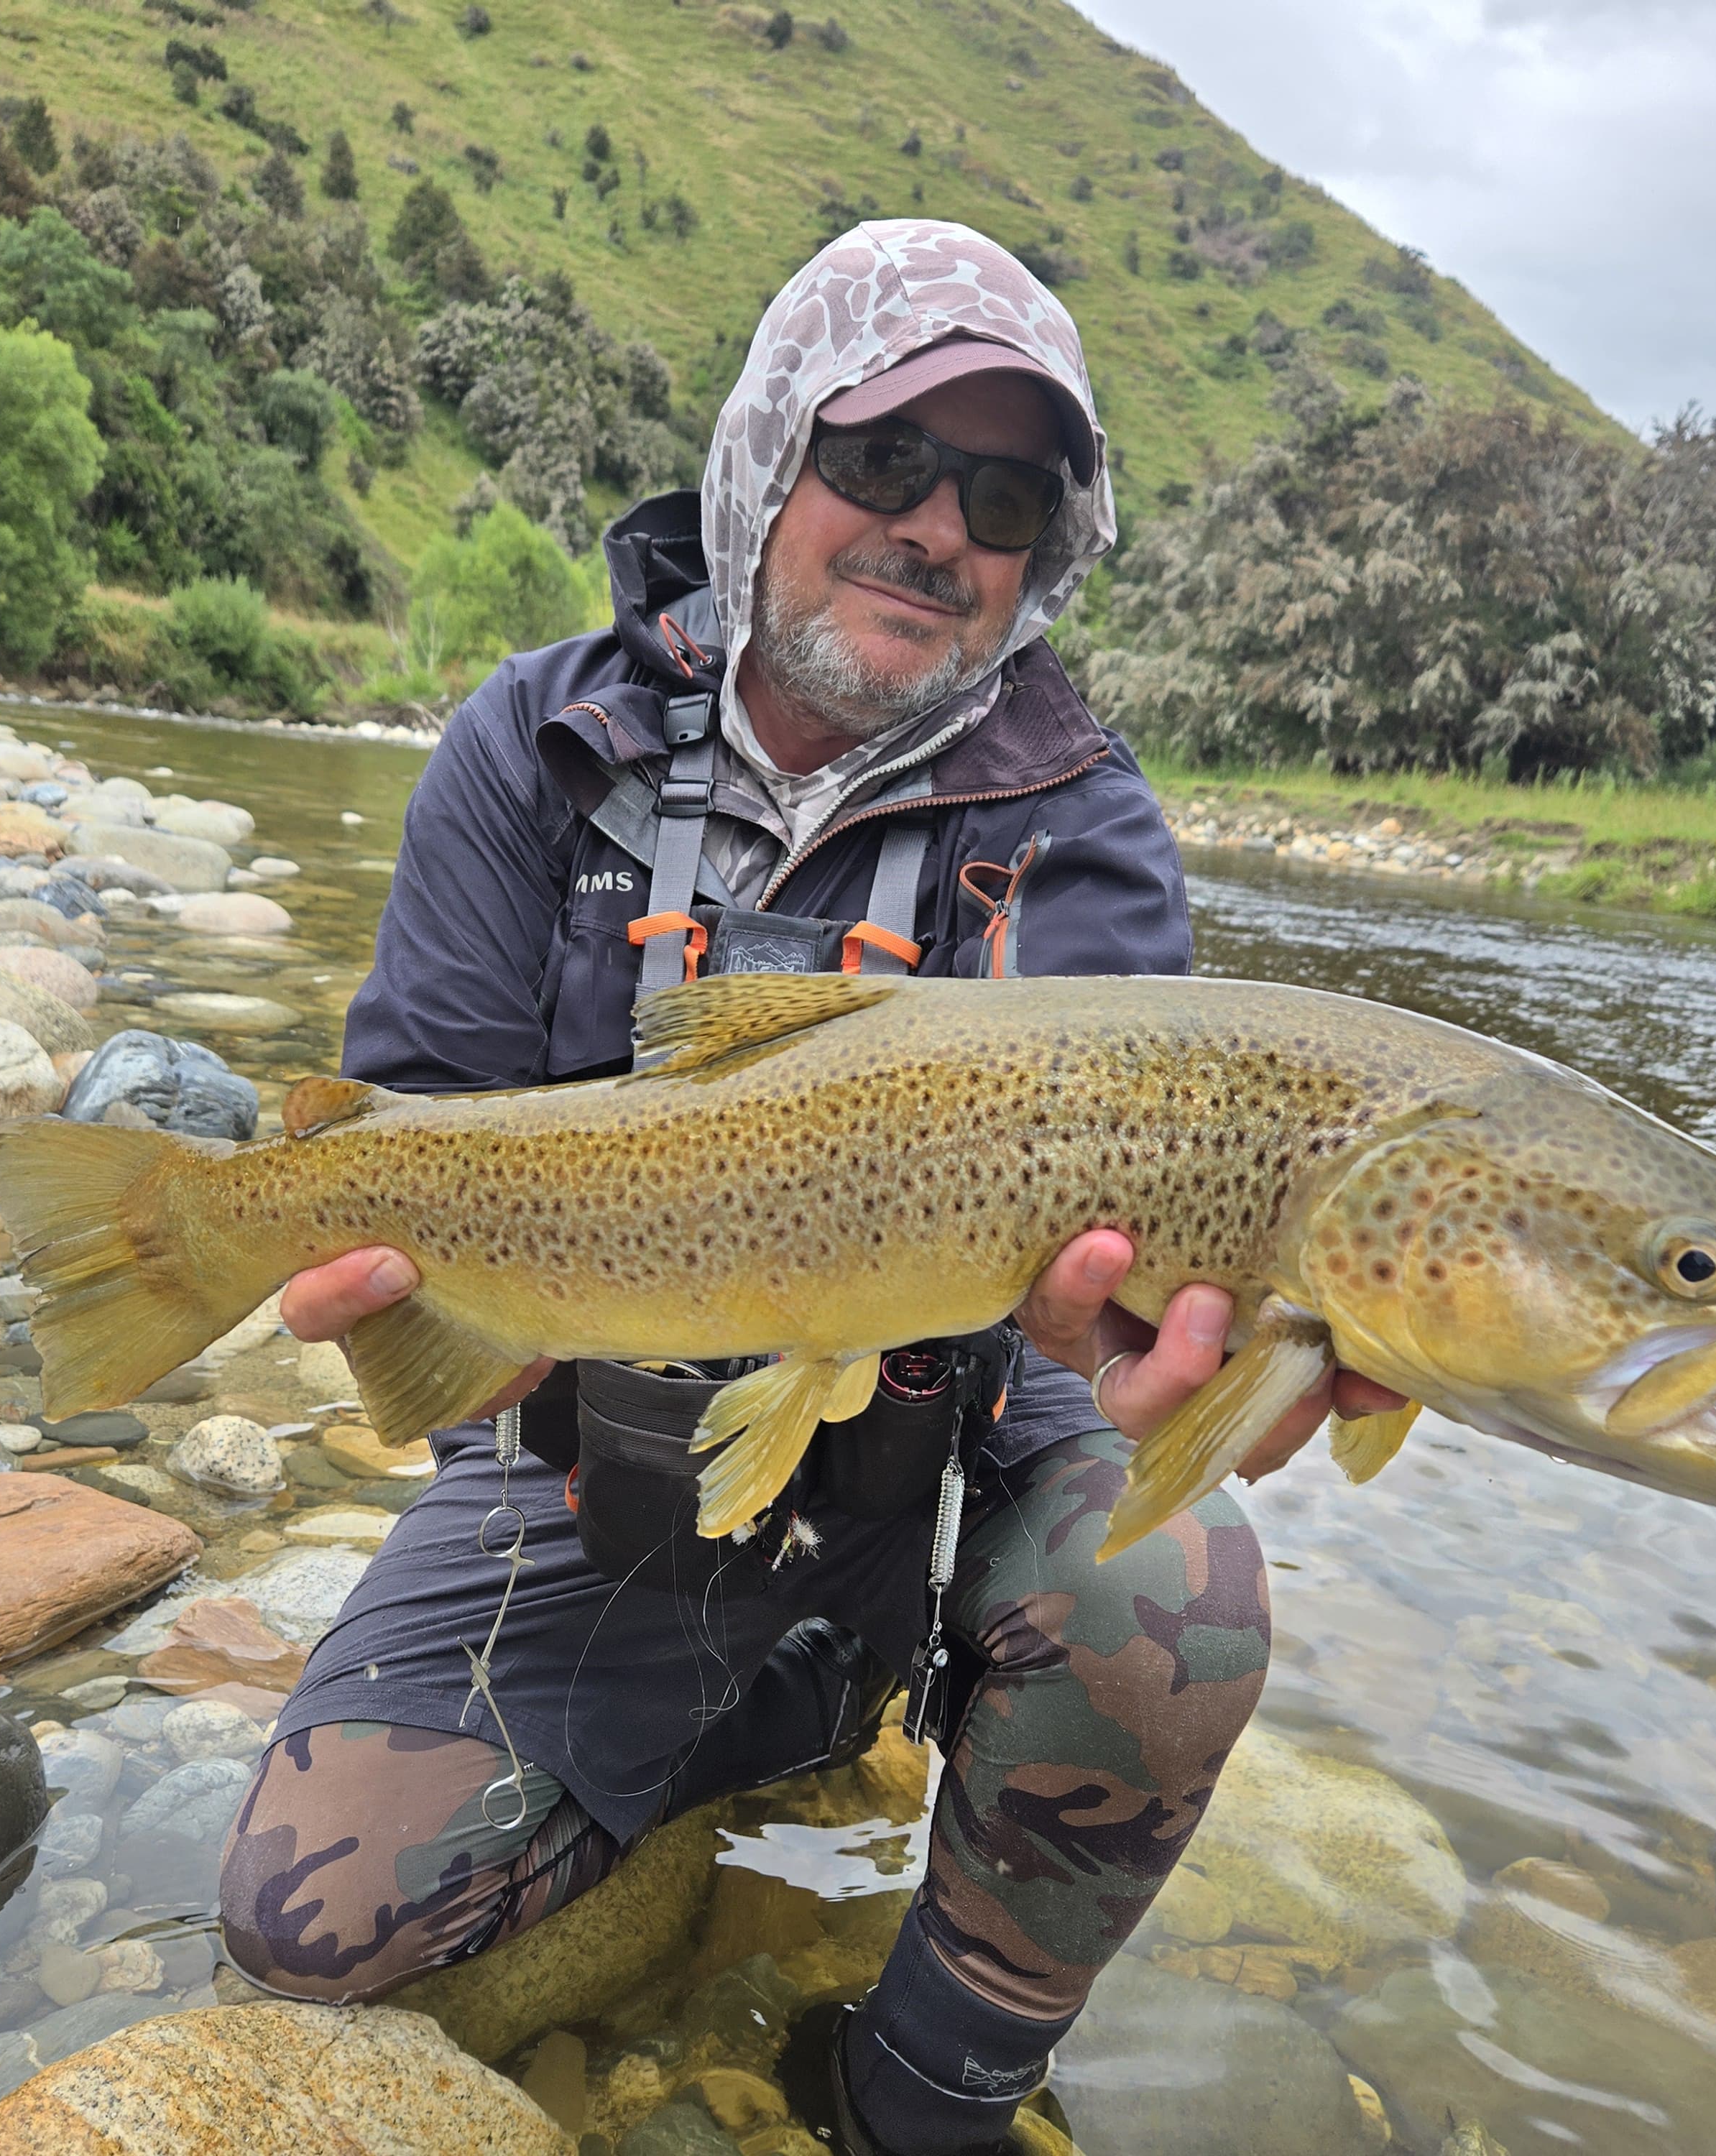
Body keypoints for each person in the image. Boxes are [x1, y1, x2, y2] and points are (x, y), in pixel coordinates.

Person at [217, 221, 1405, 2155]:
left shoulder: (1078, 821)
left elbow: (1106, 1287)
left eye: (1005, 494)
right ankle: (739, 1724)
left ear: (1041, 552)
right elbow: (418, 1116)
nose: (941, 526)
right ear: (771, 459)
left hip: (932, 1430)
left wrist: (1186, 1377)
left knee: (1175, 1587)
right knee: (310, 1919)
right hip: (581, 1446)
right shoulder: (537, 740)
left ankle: (917, 2087)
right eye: (885, 462)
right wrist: (440, 1334)